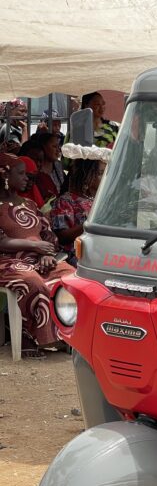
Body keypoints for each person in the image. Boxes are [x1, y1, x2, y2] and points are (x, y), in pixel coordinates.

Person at [0, 153, 74, 358]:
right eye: (21, 173)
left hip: (38, 258)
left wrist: (45, 255)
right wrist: (36, 247)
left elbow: (48, 235)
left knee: (71, 277)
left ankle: (65, 333)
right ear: (5, 176)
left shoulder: (29, 204)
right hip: (7, 261)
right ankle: (27, 335)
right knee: (32, 282)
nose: (27, 178)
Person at [51, 158, 105, 265]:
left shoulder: (101, 200)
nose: (105, 177)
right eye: (100, 173)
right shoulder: (66, 201)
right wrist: (91, 223)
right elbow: (62, 237)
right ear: (87, 176)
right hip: (78, 255)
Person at [32, 132, 65, 204]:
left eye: (58, 147)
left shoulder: (58, 166)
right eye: (54, 146)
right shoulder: (35, 168)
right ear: (43, 147)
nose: (58, 150)